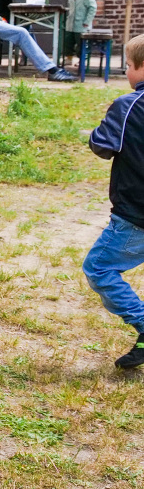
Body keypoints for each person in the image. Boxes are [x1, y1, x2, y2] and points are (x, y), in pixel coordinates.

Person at [83, 33, 144, 369]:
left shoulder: (128, 105)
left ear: (137, 68)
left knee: (100, 268)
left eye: (128, 67)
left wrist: (96, 131)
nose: (127, 73)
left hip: (136, 215)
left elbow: (102, 145)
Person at [62, 0, 96, 65]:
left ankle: (82, 59)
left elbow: (92, 8)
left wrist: (87, 21)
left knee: (81, 43)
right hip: (70, 24)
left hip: (81, 24)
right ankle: (69, 58)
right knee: (68, 42)